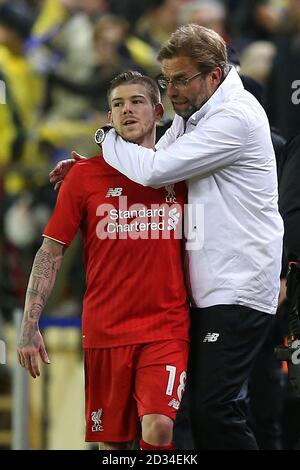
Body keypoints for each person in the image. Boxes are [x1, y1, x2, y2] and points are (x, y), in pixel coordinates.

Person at [51, 24, 284, 450]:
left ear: (214, 75)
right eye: (166, 80)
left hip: (238, 288)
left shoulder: (235, 116)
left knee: (218, 409)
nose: (171, 90)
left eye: (180, 79)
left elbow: (156, 171)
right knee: (198, 416)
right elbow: (153, 158)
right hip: (210, 289)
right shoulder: (196, 114)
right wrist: (94, 173)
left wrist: (105, 141)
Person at [17, 71, 190, 451]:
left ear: (158, 112)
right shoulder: (84, 177)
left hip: (165, 327)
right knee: (112, 446)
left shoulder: (183, 171)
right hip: (106, 330)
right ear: (108, 118)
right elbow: (50, 251)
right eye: (117, 104)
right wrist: (30, 324)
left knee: (159, 426)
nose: (127, 110)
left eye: (137, 101)